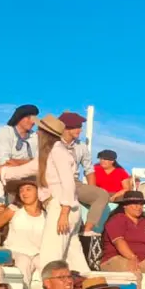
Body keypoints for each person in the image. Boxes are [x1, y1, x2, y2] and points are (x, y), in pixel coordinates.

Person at [36, 114, 89, 271]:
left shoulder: (57, 151)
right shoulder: (50, 152)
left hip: (61, 206)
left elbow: (68, 182)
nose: (37, 133)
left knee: (51, 257)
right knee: (74, 257)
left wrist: (64, 212)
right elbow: (27, 169)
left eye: (40, 130)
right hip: (68, 207)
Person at [56, 111, 109, 236]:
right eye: (77, 126)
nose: (80, 130)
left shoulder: (81, 146)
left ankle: (87, 229)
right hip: (53, 180)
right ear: (66, 127)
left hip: (74, 182)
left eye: (80, 126)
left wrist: (91, 191)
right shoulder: (52, 142)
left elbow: (89, 170)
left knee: (102, 194)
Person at [0, 177, 45, 289]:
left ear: (38, 192)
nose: (24, 193)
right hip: (15, 251)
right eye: (21, 190)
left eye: (28, 189)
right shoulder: (14, 209)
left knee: (47, 264)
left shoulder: (46, 214)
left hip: (38, 253)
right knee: (24, 262)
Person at [0, 104, 39, 204]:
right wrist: (28, 164)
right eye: (29, 118)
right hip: (4, 173)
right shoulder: (5, 131)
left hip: (28, 176)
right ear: (19, 117)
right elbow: (4, 162)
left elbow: (39, 162)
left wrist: (15, 161)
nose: (33, 122)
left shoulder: (34, 137)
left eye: (34, 119)